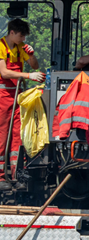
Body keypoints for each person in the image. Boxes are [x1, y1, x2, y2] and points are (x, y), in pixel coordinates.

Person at [0, 19, 44, 190]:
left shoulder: (20, 48)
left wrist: (32, 56)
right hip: (2, 95)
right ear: (12, 32)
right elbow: (3, 72)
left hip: (17, 96)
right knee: (2, 136)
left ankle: (16, 174)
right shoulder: (2, 46)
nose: (23, 39)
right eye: (21, 35)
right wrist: (28, 76)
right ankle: (1, 177)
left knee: (17, 135)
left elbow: (35, 65)